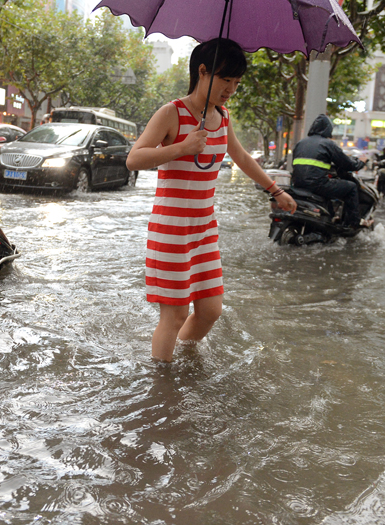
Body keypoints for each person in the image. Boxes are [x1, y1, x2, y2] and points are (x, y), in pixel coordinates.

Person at [126, 38, 296, 363]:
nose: (231, 88)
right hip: (171, 230)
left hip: (204, 230)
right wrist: (179, 148)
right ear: (202, 71)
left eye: (236, 82)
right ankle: (161, 388)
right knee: (173, 317)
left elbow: (243, 158)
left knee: (210, 311)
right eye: (225, 79)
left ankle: (184, 364)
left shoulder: (223, 118)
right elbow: (134, 160)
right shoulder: (171, 113)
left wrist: (276, 191)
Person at [291, 114, 368, 228]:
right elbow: (348, 164)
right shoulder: (328, 144)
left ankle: (331, 216)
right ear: (328, 130)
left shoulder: (300, 143)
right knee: (351, 187)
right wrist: (361, 162)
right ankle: (353, 223)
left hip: (297, 185)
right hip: (317, 185)